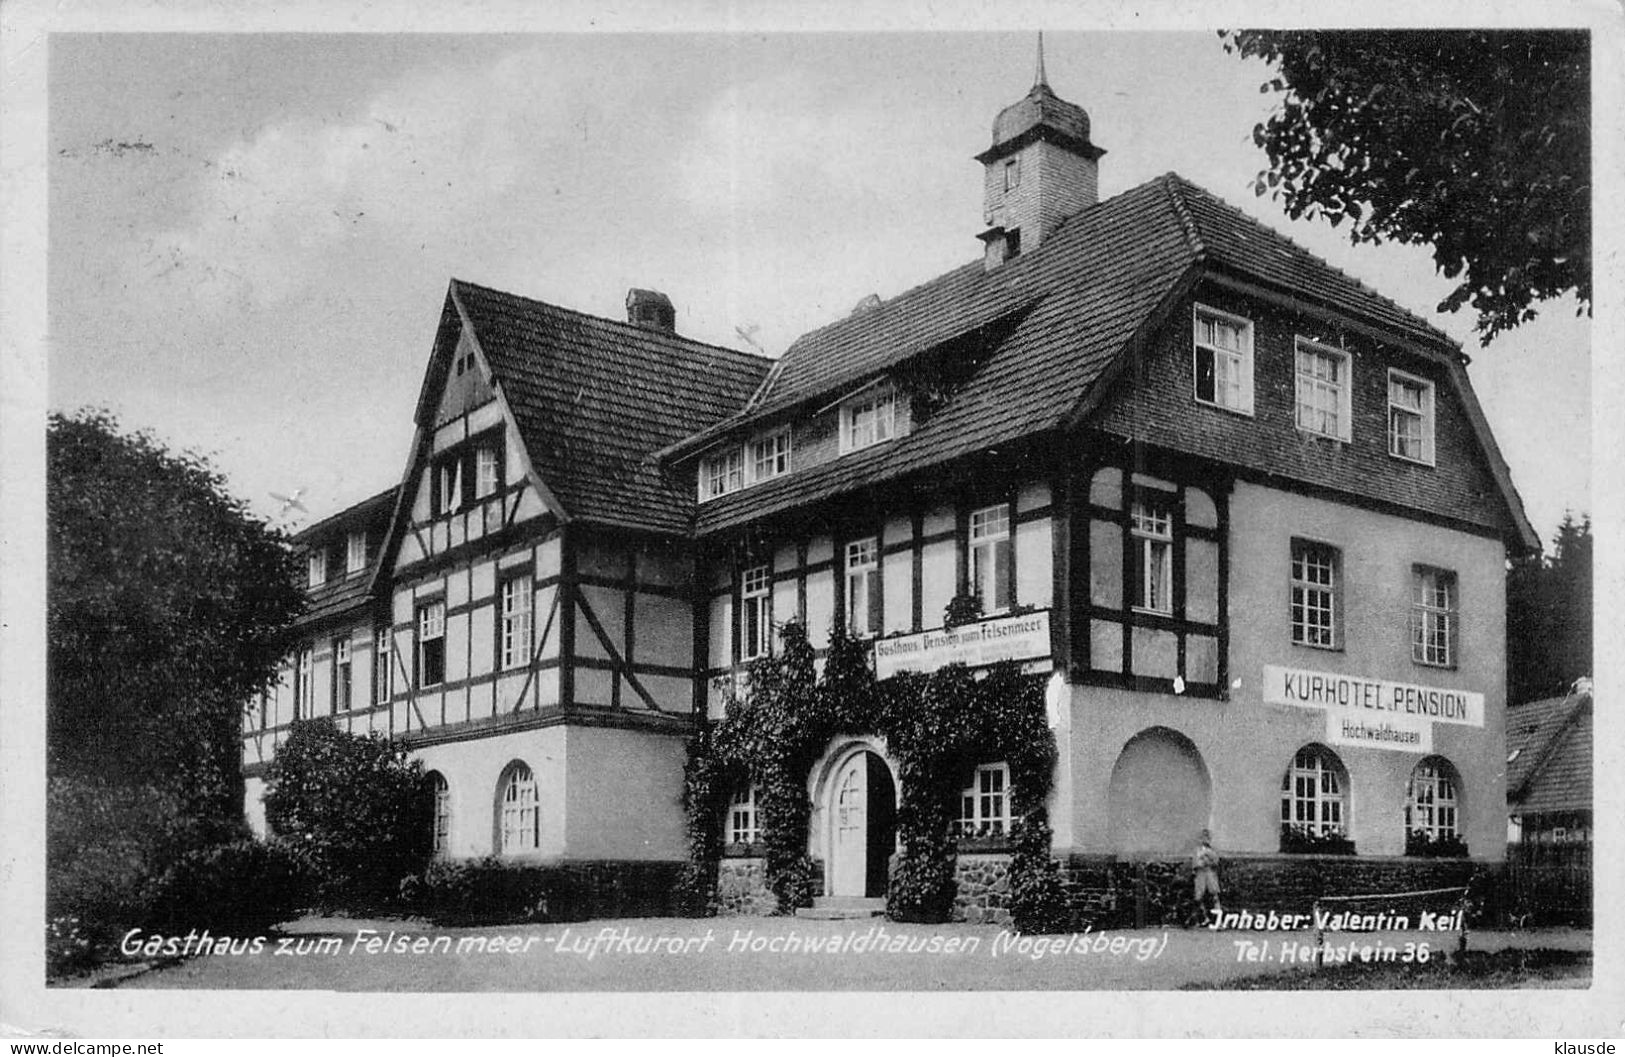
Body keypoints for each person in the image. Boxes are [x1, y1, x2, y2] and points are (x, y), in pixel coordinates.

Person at [1192, 829, 1222, 922]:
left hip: (1210, 873)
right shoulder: (1197, 850)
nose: (1205, 839)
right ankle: (1204, 917)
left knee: (1214, 895)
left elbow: (1216, 861)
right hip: (1201, 874)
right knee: (1199, 897)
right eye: (1203, 837)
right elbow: (1196, 863)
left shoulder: (1212, 850)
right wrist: (1201, 863)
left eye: (1207, 837)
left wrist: (1208, 860)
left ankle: (1218, 918)